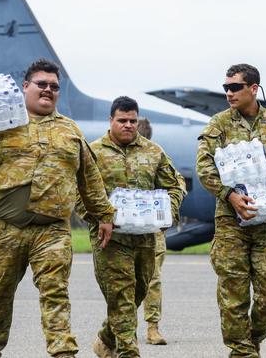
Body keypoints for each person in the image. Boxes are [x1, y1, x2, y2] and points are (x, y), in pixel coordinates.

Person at [0, 58, 115, 358]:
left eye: (54, 86)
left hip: (51, 231)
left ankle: (63, 353)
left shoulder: (71, 130)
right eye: (41, 84)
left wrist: (103, 215)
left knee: (56, 294)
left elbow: (89, 178)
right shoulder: (1, 119)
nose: (48, 90)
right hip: (5, 229)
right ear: (25, 86)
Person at [195, 64, 266, 357]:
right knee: (234, 293)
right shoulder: (218, 124)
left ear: (253, 89)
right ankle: (242, 350)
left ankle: (253, 335)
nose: (228, 93)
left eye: (234, 87)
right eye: (225, 88)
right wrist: (229, 195)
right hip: (231, 222)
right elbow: (204, 167)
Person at [78, 96, 185, 358]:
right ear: (111, 121)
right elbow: (78, 193)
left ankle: (105, 337)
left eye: (132, 121)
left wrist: (167, 211)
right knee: (121, 297)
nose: (128, 125)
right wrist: (99, 217)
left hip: (145, 239)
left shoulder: (153, 151)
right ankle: (128, 352)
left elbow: (176, 184)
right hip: (110, 240)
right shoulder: (93, 153)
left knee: (137, 292)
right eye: (122, 120)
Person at [136, 117, 180, 346]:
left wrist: (167, 212)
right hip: (123, 231)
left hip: (152, 230)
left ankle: (152, 327)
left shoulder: (157, 155)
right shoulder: (108, 154)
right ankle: (123, 327)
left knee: (152, 279)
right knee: (123, 281)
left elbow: (176, 183)